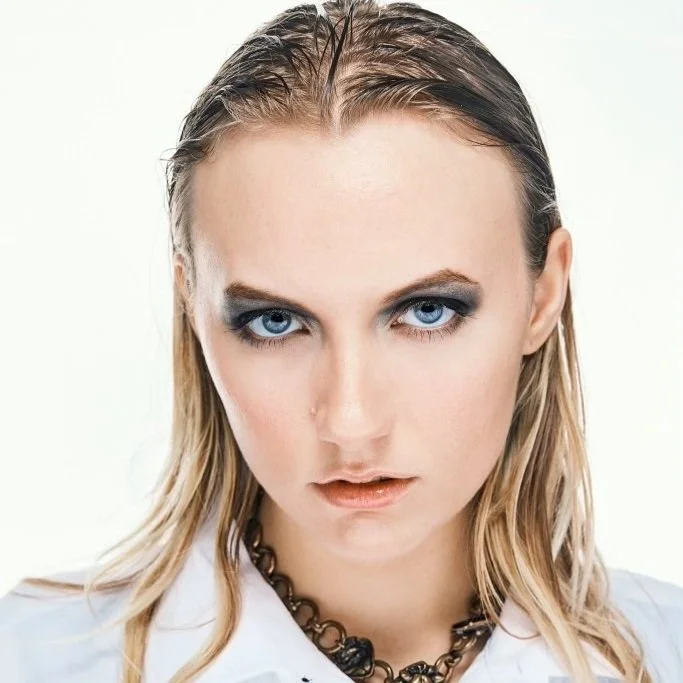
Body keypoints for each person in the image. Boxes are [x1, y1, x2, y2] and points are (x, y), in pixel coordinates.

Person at [1, 1, 681, 681]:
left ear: (544, 293)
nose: (351, 422)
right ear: (192, 305)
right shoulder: (32, 658)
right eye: (275, 321)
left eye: (427, 312)